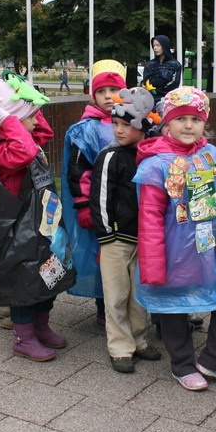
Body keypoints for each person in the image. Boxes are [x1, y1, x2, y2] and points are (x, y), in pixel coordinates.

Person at [135, 86, 216, 391]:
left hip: (215, 248)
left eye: (195, 119)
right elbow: (148, 220)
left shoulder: (210, 155)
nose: (189, 125)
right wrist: (153, 266)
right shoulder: (155, 165)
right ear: (166, 124)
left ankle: (214, 359)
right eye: (181, 118)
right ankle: (182, 364)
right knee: (174, 307)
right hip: (175, 254)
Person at [0, 76, 75, 362]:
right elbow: (23, 150)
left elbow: (43, 135)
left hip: (40, 229)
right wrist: (8, 119)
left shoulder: (29, 140)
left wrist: (33, 103)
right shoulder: (3, 150)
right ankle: (24, 339)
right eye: (32, 117)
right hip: (17, 235)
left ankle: (41, 326)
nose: (37, 122)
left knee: (47, 278)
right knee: (24, 286)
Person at [90, 86, 162, 373]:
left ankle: (139, 339)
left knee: (139, 294)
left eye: (126, 125)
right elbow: (101, 197)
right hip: (116, 238)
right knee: (116, 294)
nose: (118, 130)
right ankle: (120, 347)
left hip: (144, 238)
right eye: (115, 124)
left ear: (142, 126)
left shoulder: (152, 155)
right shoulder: (110, 157)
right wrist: (107, 234)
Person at [62, 61, 124, 325]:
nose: (109, 96)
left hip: (129, 205)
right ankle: (104, 307)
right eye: (102, 91)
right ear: (93, 95)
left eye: (114, 90)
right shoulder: (86, 129)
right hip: (100, 207)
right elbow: (79, 171)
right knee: (104, 256)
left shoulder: (132, 122)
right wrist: (84, 204)